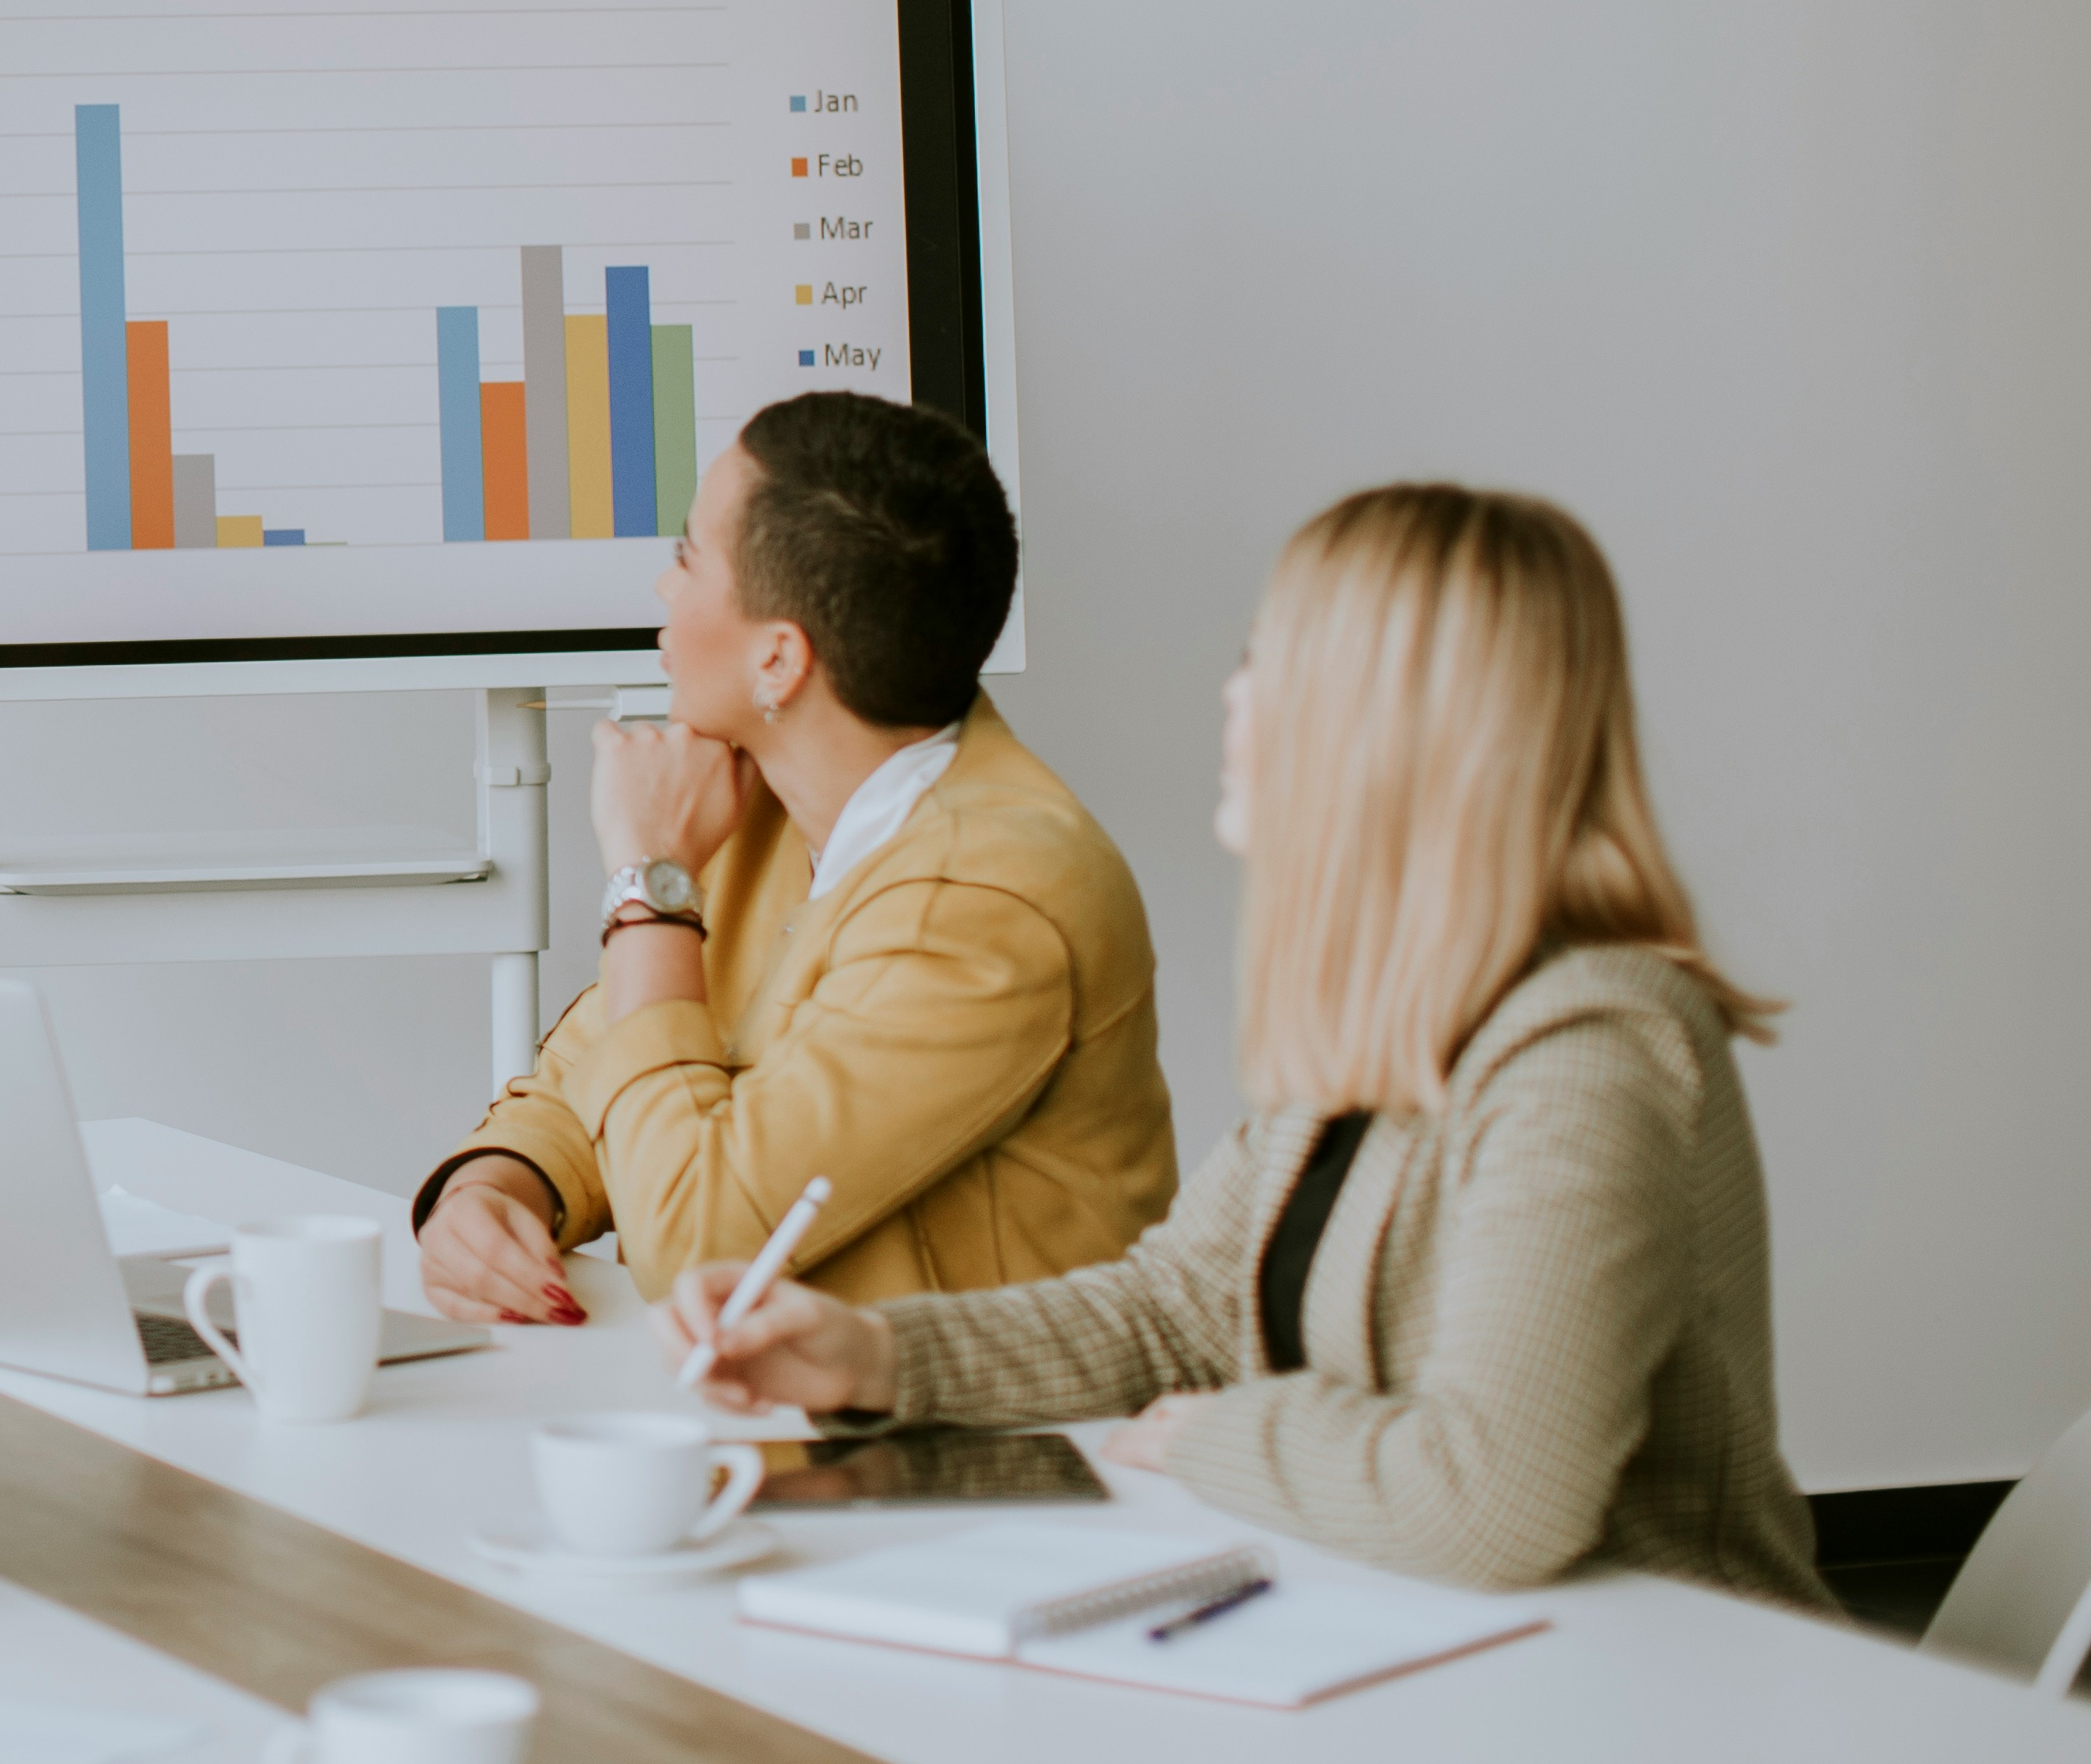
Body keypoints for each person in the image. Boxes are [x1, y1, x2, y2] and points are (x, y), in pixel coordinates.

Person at [660, 485, 1827, 1610]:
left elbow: (1489, 1498)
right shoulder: (1393, 1023)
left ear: (1382, 731)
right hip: (1435, 1644)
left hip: (1666, 1703)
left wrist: (1221, 1430)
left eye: (1266, 663)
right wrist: (870, 1357)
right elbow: (1175, 1311)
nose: (1231, 698)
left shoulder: (1593, 1049)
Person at [414, 392, 1179, 1325]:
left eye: (689, 555)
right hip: (779, 1409)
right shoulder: (761, 796)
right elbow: (601, 1066)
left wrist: (650, 887)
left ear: (779, 660)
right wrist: (499, 1184)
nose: (664, 588)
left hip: (969, 1452)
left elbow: (694, 1240)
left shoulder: (989, 898)